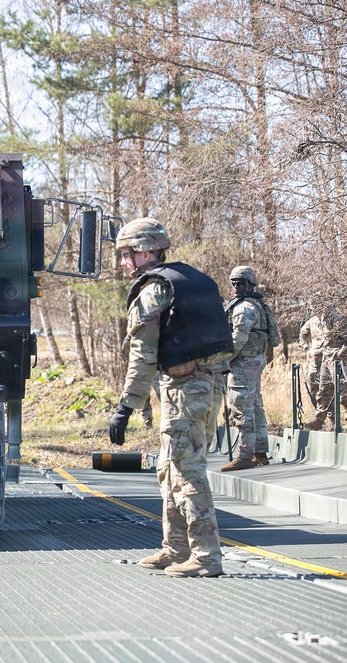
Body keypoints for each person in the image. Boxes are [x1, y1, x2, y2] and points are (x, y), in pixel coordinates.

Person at [108, 218, 231, 578]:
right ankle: (175, 548)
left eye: (126, 254)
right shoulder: (192, 279)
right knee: (170, 466)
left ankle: (206, 556)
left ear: (145, 252)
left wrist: (126, 406)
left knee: (187, 468)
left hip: (182, 387)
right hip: (208, 383)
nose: (123, 262)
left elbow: (142, 355)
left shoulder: (153, 290)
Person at [220, 266, 278, 471]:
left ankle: (244, 456)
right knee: (254, 406)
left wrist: (223, 361)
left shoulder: (244, 308)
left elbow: (238, 339)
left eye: (241, 283)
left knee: (241, 407)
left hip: (244, 362)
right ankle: (260, 453)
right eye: (234, 283)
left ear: (250, 284)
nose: (236, 287)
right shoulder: (257, 305)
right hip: (254, 361)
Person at [305, 308, 347, 431]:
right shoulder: (321, 318)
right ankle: (319, 420)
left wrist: (340, 355)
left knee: (344, 392)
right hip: (326, 359)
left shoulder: (338, 317)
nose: (313, 307)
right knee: (324, 391)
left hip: (338, 361)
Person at [299, 313, 325, 409]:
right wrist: (307, 349)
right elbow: (302, 336)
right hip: (315, 359)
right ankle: (317, 411)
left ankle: (333, 417)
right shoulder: (311, 321)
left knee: (330, 387)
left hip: (330, 358)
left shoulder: (333, 320)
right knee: (312, 385)